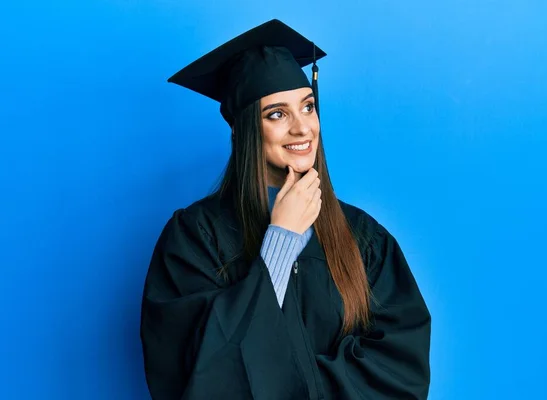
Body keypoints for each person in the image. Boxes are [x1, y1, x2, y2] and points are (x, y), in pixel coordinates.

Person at [140, 19, 431, 400]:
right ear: (244, 129)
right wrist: (281, 240)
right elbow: (194, 368)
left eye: (307, 107)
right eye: (276, 114)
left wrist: (288, 384)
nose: (302, 128)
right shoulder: (195, 237)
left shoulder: (362, 235)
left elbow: (399, 367)